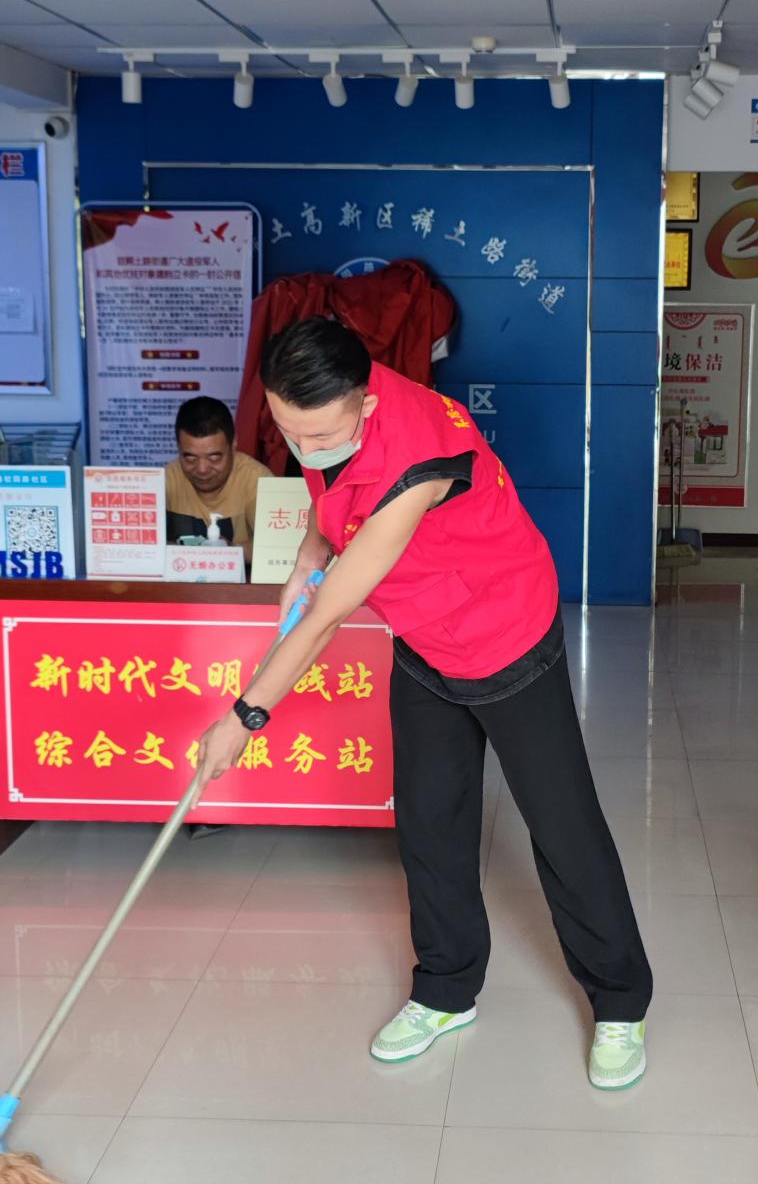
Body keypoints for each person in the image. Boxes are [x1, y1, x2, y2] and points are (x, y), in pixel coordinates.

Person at [195, 322, 653, 1089]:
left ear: (367, 404)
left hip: (503, 630)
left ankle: (620, 1001)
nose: (303, 445)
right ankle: (445, 988)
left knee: (561, 824)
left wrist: (244, 717)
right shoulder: (328, 398)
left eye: (320, 434)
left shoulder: (417, 460)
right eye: (287, 430)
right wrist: (309, 551)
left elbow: (328, 616)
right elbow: (327, 485)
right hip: (424, 634)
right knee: (430, 819)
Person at [164, 395, 270, 567]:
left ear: (233, 445)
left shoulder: (258, 480)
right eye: (190, 458)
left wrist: (229, 551)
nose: (202, 469)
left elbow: (276, 548)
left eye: (214, 457)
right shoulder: (166, 481)